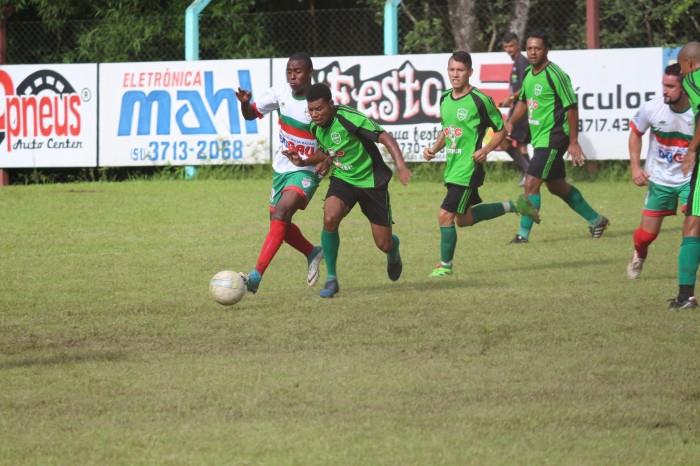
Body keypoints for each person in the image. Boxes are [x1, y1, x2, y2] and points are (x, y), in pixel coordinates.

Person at [423, 51, 540, 277]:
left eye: (460, 70)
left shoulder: (480, 100)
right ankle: (515, 206)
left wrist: (485, 150)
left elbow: (501, 129)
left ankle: (445, 266)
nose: (455, 74)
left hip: (468, 170)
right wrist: (433, 149)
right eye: (452, 70)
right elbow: (447, 131)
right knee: (464, 219)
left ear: (470, 72)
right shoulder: (445, 98)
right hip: (453, 168)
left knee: (444, 216)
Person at [306, 82, 412, 298]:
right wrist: (324, 161)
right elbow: (332, 152)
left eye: (319, 109)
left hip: (372, 181)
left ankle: (393, 250)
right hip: (343, 179)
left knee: (383, 243)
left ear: (331, 104)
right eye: (311, 110)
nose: (315, 114)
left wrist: (400, 165)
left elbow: (383, 136)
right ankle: (332, 279)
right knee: (330, 217)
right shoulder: (315, 128)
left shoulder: (347, 117)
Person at [505, 32, 609, 243]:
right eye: (530, 48)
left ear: (547, 50)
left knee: (531, 182)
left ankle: (522, 235)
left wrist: (573, 141)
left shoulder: (556, 74)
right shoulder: (528, 73)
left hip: (554, 137)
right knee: (557, 186)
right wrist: (511, 122)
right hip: (540, 138)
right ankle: (597, 220)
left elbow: (571, 107)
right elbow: (523, 102)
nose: (533, 52)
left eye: (538, 48)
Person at [235, 52, 324, 294]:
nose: (293, 76)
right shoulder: (279, 93)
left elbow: (329, 145)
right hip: (282, 168)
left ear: (309, 73)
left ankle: (255, 276)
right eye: (289, 72)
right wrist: (244, 103)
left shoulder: (318, 101)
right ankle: (312, 252)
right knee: (278, 223)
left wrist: (313, 160)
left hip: (307, 169)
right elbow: (251, 114)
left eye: (298, 71)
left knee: (282, 213)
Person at [627, 63, 693, 280]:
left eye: (671, 86)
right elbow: (636, 134)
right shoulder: (652, 108)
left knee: (694, 230)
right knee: (645, 236)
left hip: (690, 180)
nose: (665, 90)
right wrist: (636, 166)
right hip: (660, 179)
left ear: (684, 88)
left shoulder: (696, 112)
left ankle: (686, 279)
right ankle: (639, 254)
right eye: (664, 85)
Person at [668, 41, 700, 309]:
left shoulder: (692, 79)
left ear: (689, 64)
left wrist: (691, 150)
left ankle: (685, 296)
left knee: (692, 224)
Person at [499, 32, 531, 184]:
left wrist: (511, 98)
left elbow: (527, 86)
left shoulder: (522, 62)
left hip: (522, 109)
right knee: (519, 143)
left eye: (511, 46)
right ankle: (529, 173)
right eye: (506, 47)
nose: (508, 49)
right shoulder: (516, 62)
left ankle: (528, 172)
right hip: (516, 107)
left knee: (503, 139)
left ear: (518, 45)